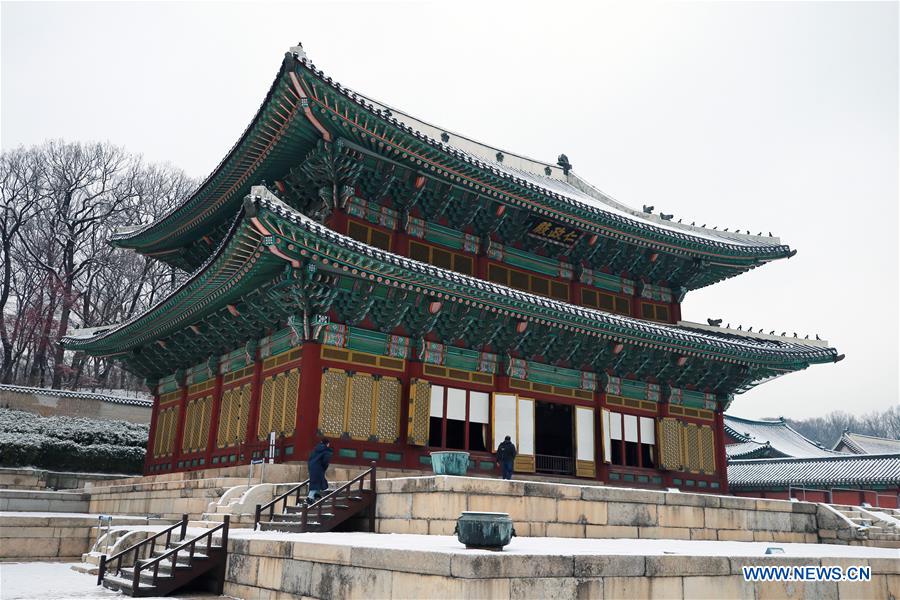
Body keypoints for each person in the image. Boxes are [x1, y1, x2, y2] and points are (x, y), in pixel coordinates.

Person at [306, 438, 333, 502]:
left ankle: (316, 494)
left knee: (317, 480)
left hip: (312, 466)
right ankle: (310, 497)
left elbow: (310, 458)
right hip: (319, 467)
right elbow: (325, 461)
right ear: (327, 444)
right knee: (316, 482)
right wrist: (324, 467)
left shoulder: (315, 449)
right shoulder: (326, 450)